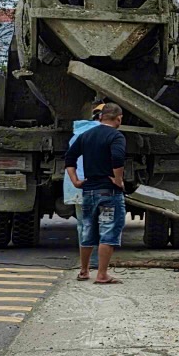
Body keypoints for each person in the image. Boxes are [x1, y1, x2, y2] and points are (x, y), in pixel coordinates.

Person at [64, 102, 127, 283]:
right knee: (108, 231)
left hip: (89, 191)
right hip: (109, 193)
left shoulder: (85, 135)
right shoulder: (116, 136)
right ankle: (102, 274)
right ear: (118, 118)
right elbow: (117, 157)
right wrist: (118, 179)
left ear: (100, 117)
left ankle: (84, 271)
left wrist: (75, 180)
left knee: (87, 231)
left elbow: (69, 158)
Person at [64, 102, 106, 273]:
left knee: (84, 224)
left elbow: (70, 160)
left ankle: (86, 265)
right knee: (103, 222)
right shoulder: (107, 135)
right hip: (99, 185)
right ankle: (97, 261)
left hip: (77, 186)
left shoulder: (77, 135)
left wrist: (75, 180)